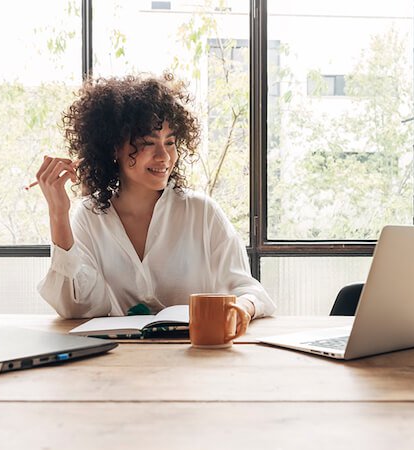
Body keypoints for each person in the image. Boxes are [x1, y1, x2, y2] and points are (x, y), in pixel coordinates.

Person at [36, 73, 276, 330]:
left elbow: (250, 291)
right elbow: (76, 308)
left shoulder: (201, 213)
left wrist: (241, 309)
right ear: (113, 147)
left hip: (196, 360)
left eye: (170, 142)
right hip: (117, 360)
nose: (164, 156)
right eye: (148, 143)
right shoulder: (89, 216)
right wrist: (58, 214)